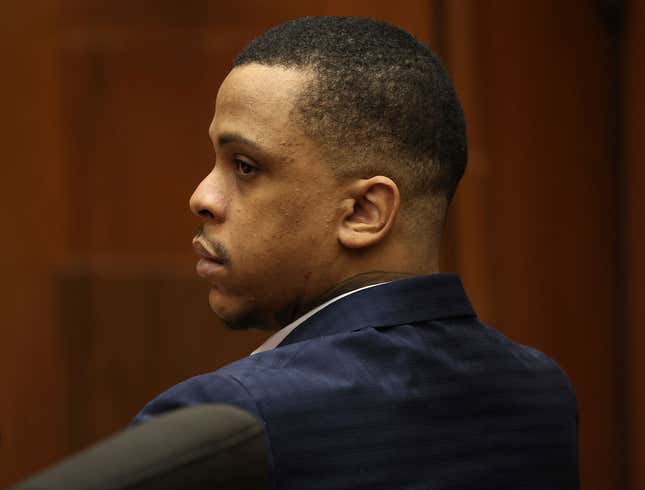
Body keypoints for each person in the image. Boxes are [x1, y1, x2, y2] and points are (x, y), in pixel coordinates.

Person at [134, 16, 579, 489]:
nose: (202, 196)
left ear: (364, 212)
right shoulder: (541, 392)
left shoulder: (226, 426)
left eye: (245, 166)